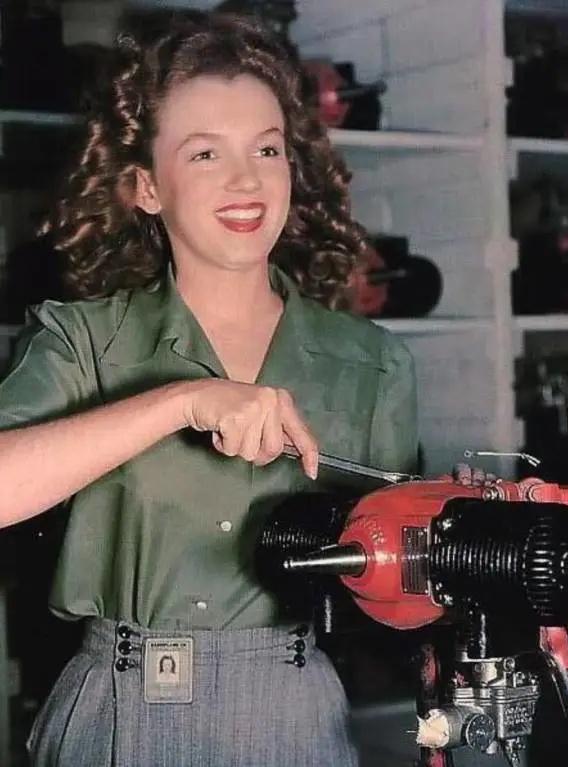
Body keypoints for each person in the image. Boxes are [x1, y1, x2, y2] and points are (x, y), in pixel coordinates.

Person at [0, 11, 418, 767]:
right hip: (119, 713)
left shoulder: (375, 362)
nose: (246, 180)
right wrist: (179, 401)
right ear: (144, 187)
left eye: (267, 148)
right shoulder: (80, 340)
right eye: (204, 153)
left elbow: (399, 590)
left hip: (295, 715)